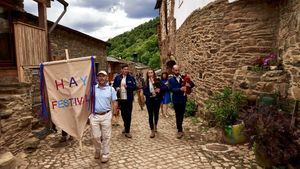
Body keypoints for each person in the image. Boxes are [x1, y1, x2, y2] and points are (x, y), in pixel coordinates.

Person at [90, 70, 118, 163]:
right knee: (95, 136)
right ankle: (98, 150)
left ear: (107, 78)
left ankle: (105, 153)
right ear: (97, 78)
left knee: (106, 136)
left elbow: (114, 102)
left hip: (106, 115)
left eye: (103, 76)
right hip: (94, 116)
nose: (101, 78)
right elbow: (87, 101)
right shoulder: (93, 89)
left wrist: (114, 115)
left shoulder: (111, 89)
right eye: (99, 76)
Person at [168, 65, 195, 139]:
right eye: (176, 70)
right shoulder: (170, 80)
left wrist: (188, 84)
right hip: (176, 100)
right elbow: (171, 89)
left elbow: (192, 84)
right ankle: (179, 130)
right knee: (177, 114)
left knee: (182, 114)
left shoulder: (183, 77)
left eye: (178, 70)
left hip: (183, 99)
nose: (177, 72)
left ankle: (180, 126)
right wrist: (180, 89)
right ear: (173, 70)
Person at [113, 64, 137, 138]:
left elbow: (134, 87)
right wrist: (117, 88)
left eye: (127, 69)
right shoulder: (117, 78)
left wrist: (128, 87)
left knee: (128, 114)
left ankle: (127, 131)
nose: (126, 70)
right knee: (123, 114)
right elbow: (114, 86)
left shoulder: (131, 78)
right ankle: (125, 126)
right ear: (122, 70)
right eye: (125, 69)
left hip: (129, 99)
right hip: (121, 99)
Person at [143, 69, 164, 138]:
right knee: (150, 115)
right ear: (147, 74)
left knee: (156, 114)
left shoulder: (158, 80)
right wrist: (150, 93)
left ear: (154, 74)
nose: (150, 74)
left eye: (151, 73)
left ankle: (155, 125)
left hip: (156, 100)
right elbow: (144, 92)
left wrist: (159, 90)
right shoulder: (145, 82)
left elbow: (164, 88)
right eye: (149, 73)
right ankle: (152, 130)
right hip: (149, 100)